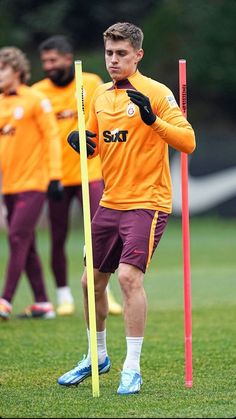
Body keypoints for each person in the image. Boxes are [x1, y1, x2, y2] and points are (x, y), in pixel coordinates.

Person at [57, 22, 196, 394]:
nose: (114, 60)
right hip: (110, 201)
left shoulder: (157, 92)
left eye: (121, 54)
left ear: (138, 55)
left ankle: (131, 366)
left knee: (128, 278)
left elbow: (188, 141)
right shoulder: (100, 96)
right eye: (109, 53)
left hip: (147, 201)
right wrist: (79, 141)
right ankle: (97, 356)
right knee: (90, 283)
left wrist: (153, 120)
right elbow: (94, 146)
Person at [33, 35, 122, 316]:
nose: (48, 66)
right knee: (57, 236)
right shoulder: (38, 91)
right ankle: (64, 296)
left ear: (68, 58)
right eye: (45, 61)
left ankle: (105, 291)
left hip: (91, 171)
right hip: (56, 176)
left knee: (100, 234)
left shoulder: (92, 82)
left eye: (53, 60)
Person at [0, 46, 62, 320]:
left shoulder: (36, 99)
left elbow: (52, 139)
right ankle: (42, 303)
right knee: (26, 243)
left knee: (16, 236)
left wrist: (55, 176)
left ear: (17, 70)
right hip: (9, 185)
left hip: (34, 183)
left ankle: (5, 300)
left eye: (3, 68)